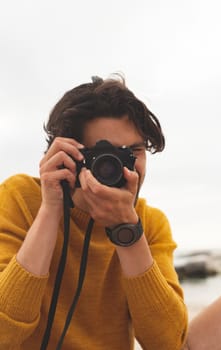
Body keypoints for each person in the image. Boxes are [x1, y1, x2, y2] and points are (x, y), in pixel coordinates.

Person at [0, 75, 188, 350]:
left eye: (133, 151)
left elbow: (168, 342)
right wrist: (51, 209)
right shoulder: (20, 198)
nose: (124, 167)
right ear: (69, 153)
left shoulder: (149, 223)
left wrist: (128, 232)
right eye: (105, 152)